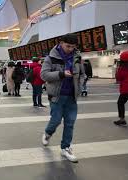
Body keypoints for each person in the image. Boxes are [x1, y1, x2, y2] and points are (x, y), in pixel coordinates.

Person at [40, 33, 85, 163]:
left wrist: (80, 87)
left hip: (72, 97)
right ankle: (48, 133)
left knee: (70, 123)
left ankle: (65, 148)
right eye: (68, 46)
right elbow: (44, 75)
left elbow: (82, 74)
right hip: (57, 96)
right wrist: (61, 74)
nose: (70, 49)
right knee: (56, 120)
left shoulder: (77, 57)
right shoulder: (51, 57)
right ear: (61, 43)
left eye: (73, 47)